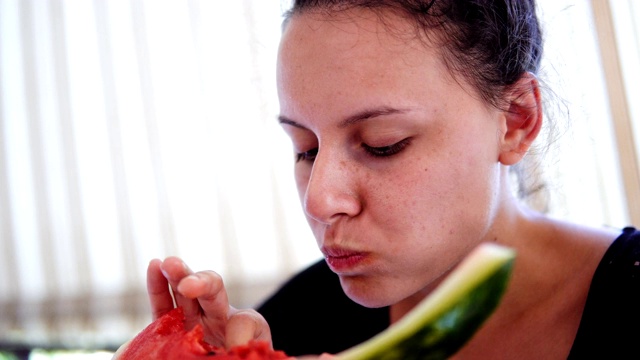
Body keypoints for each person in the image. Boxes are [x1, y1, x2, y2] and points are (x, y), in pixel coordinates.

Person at [124, 0, 640, 358]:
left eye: (382, 144)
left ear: (517, 119)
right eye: (305, 149)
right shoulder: (291, 323)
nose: (321, 200)